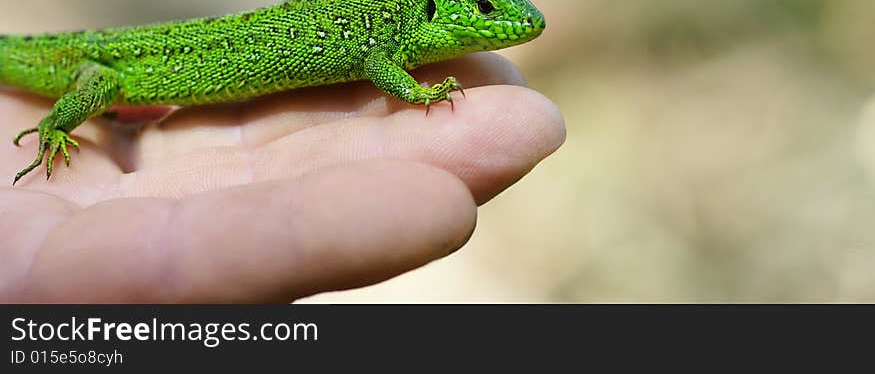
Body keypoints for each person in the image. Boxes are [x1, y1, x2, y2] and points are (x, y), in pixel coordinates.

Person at [0, 53, 565, 302]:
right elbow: (374, 64)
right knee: (99, 90)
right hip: (101, 65)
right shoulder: (388, 36)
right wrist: (415, 95)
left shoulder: (390, 20)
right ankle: (56, 127)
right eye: (487, 10)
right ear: (434, 9)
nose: (514, 25)